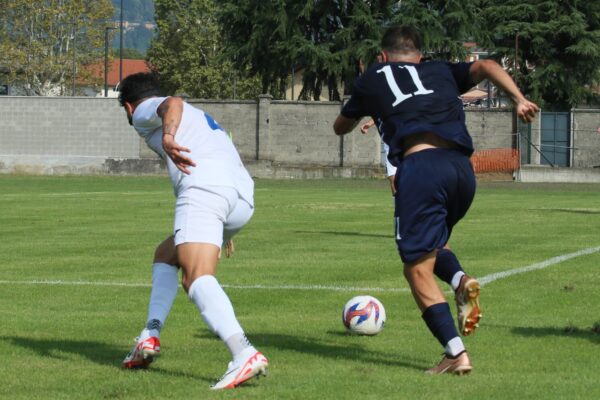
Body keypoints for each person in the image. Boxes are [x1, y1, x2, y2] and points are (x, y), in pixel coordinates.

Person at [333, 26, 539, 374]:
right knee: (433, 245)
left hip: (421, 168)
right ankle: (460, 281)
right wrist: (518, 99)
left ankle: (455, 353)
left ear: (383, 56)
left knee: (415, 268)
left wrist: (365, 110)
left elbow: (340, 127)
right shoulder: (440, 70)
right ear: (419, 56)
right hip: (462, 171)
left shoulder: (372, 76)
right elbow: (488, 65)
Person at [118, 72, 268, 390]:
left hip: (204, 190)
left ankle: (244, 353)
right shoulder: (202, 118)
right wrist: (224, 226)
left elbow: (172, 103)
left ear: (129, 108)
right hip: (240, 197)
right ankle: (150, 335)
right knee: (165, 254)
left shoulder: (146, 110)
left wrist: (169, 135)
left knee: (196, 277)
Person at [360, 118, 397, 195]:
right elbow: (378, 115)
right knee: (393, 179)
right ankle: (398, 204)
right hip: (389, 146)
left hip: (406, 143)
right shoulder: (381, 111)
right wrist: (369, 124)